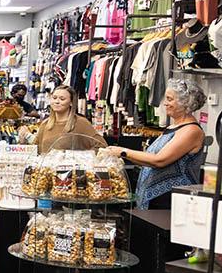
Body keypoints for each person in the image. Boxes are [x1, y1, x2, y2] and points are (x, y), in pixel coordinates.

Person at [108, 78, 207, 210]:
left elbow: (159, 160)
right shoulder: (173, 127)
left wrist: (122, 152)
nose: (165, 103)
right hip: (156, 199)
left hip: (171, 201)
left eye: (170, 99)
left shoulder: (191, 131)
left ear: (185, 103)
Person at [22, 85, 106, 154]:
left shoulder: (80, 123)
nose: (57, 101)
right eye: (54, 98)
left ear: (71, 102)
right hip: (47, 173)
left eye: (62, 99)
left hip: (71, 173)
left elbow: (102, 146)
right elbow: (37, 150)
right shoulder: (45, 124)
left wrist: (80, 159)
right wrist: (25, 138)